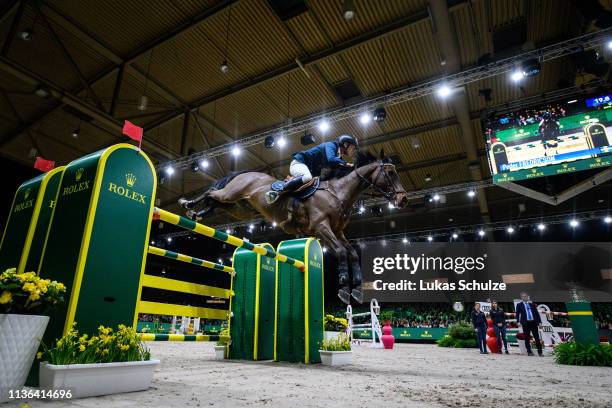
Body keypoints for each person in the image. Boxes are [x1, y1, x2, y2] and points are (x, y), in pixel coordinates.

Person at [265, 134, 358, 203]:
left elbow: (338, 169)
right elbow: (330, 159)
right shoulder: (331, 145)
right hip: (298, 164)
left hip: (309, 170)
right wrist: (347, 164)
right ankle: (278, 191)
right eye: (352, 147)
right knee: (307, 177)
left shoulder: (338, 157)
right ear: (346, 144)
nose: (353, 150)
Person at [515, 292, 543, 356]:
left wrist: (540, 323)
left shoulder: (532, 304)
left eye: (525, 296)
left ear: (528, 297)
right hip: (525, 323)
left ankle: (540, 352)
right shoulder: (519, 305)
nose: (524, 297)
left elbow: (537, 314)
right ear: (521, 297)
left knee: (537, 338)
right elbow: (517, 314)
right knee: (527, 338)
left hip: (533, 323)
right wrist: (518, 322)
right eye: (523, 296)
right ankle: (529, 352)